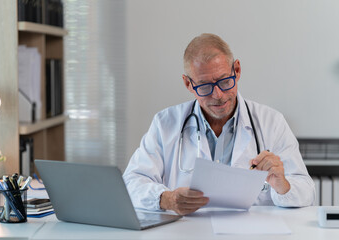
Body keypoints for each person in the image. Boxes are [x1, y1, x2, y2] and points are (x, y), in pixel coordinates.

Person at [123, 33, 315, 216]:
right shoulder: (165, 123)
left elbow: (307, 191)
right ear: (188, 84)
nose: (218, 95)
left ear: (237, 70)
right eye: (205, 86)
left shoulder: (271, 122)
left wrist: (282, 185)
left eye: (224, 81)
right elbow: (131, 182)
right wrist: (167, 199)